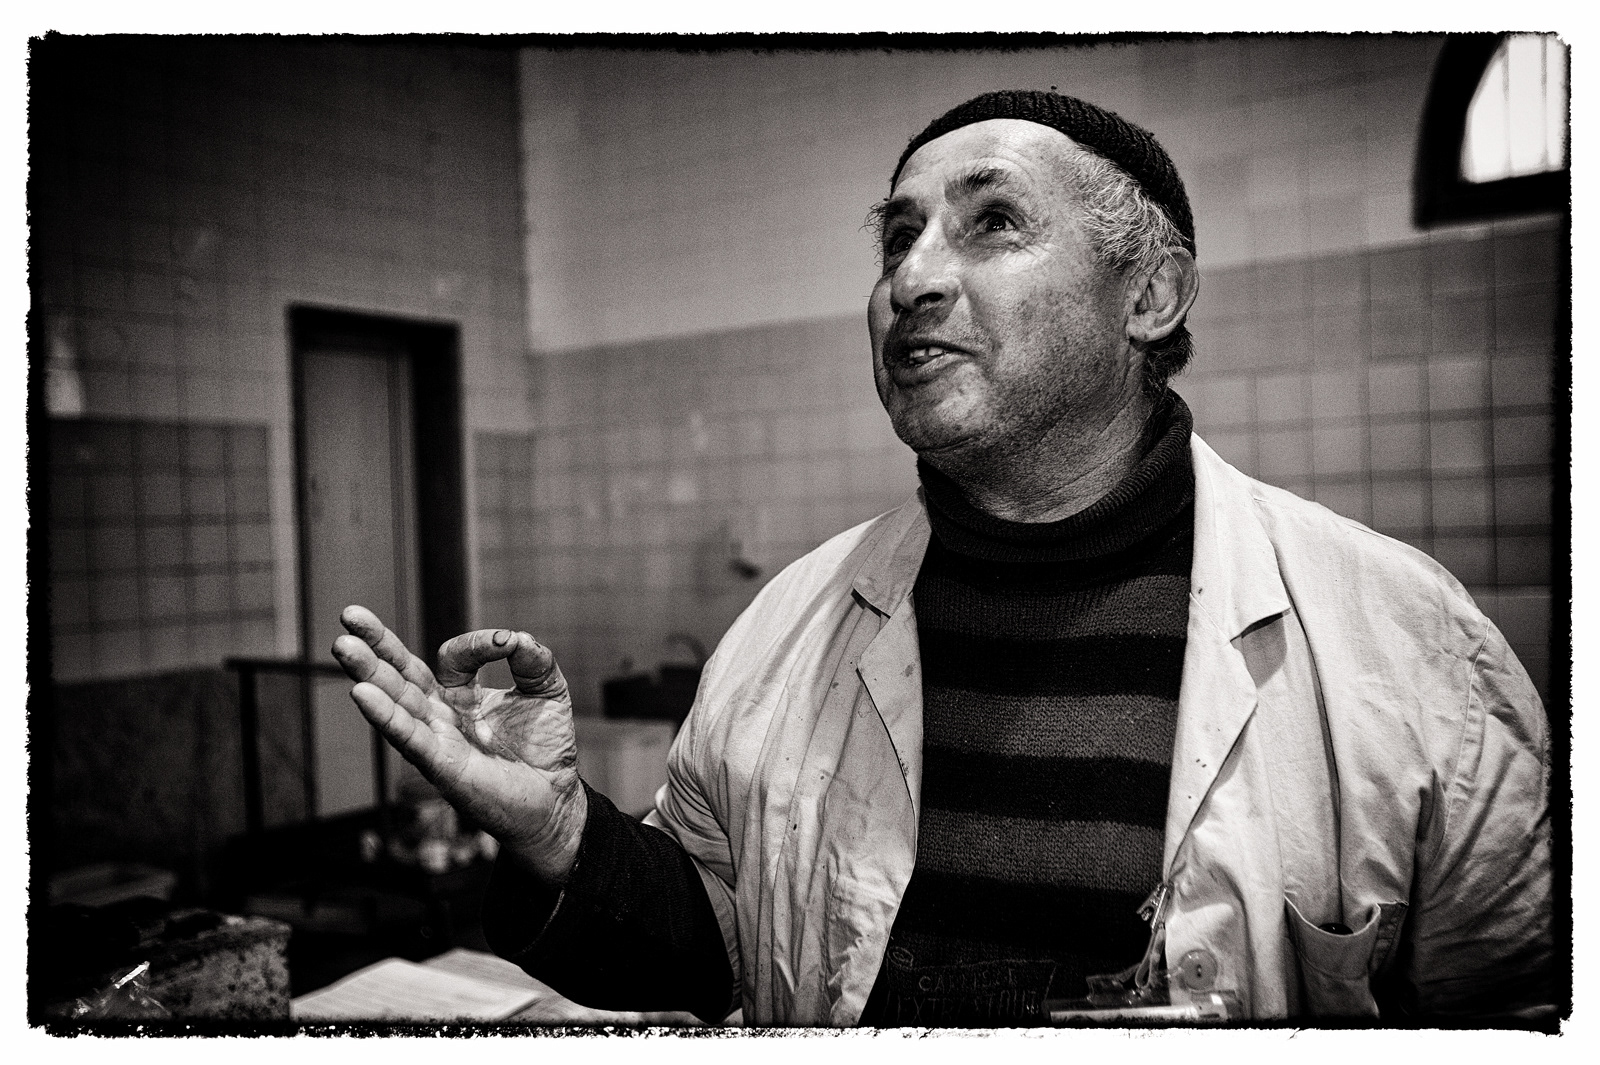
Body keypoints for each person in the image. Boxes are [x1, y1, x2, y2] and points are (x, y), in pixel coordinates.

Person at [332, 90, 1554, 1027]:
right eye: (898, 238)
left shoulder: (1410, 651)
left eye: (993, 223)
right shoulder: (790, 629)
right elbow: (712, 949)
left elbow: (1516, 1014)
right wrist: (561, 835)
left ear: (1152, 294)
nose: (911, 280)